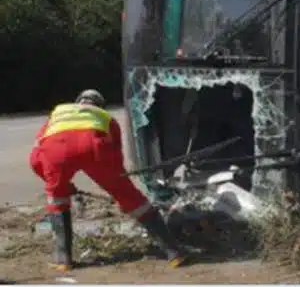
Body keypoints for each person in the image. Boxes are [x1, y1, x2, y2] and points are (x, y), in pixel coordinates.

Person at [29, 89, 187, 272]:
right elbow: (115, 156)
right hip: (95, 147)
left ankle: (63, 260)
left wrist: (58, 184)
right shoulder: (105, 117)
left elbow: (35, 159)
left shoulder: (58, 113)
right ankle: (173, 253)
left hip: (55, 152)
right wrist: (119, 189)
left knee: (57, 200)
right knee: (132, 199)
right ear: (99, 105)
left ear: (78, 101)